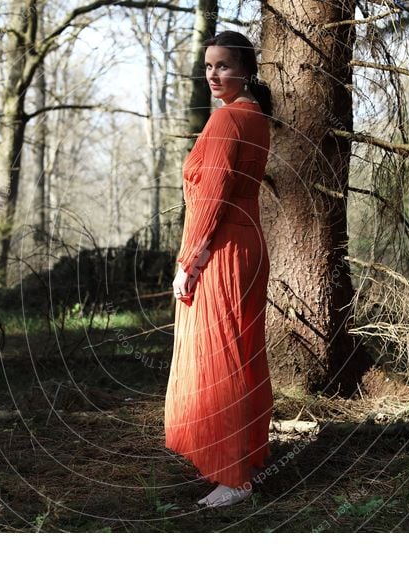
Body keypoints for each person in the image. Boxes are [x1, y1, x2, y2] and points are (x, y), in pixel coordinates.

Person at [164, 31, 274, 508]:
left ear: (246, 69)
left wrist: (190, 261)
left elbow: (213, 195)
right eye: (208, 66)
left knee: (219, 357)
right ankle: (243, 461)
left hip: (224, 247)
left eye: (224, 66)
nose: (213, 74)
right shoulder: (255, 115)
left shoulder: (230, 118)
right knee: (240, 351)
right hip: (245, 243)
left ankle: (234, 476)